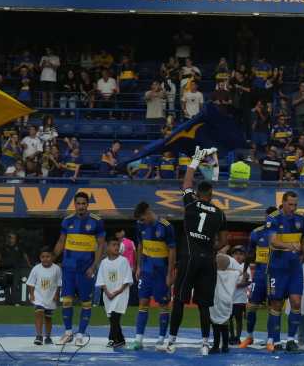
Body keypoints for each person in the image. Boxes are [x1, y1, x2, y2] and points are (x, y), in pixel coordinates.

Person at [162, 147, 228, 356]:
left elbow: (186, 183)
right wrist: (210, 246)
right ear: (212, 195)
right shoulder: (220, 213)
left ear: (199, 194)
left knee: (180, 300)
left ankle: (171, 341)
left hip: (189, 257)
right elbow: (224, 241)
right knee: (204, 305)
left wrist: (195, 162)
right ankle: (205, 344)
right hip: (208, 259)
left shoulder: (191, 203)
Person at [51, 191, 105, 347]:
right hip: (68, 267)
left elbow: (101, 244)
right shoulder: (67, 221)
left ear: (87, 205)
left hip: (86, 269)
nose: (81, 206)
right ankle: (68, 333)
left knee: (86, 302)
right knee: (66, 301)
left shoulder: (97, 221)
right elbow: (61, 241)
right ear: (74, 204)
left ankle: (80, 334)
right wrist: (52, 258)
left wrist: (94, 265)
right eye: (78, 203)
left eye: (83, 203)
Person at [132, 203, 176, 351]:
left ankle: (161, 338)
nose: (141, 222)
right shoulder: (140, 225)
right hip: (146, 270)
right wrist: (138, 266)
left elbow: (172, 251)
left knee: (163, 304)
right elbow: (140, 245)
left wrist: (170, 273)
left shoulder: (166, 226)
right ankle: (138, 339)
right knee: (143, 302)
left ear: (148, 212)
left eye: (143, 219)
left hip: (161, 272)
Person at [266, 191, 304, 352]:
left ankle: (291, 339)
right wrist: (290, 246)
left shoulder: (300, 219)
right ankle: (274, 339)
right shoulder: (273, 217)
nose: (293, 207)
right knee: (276, 303)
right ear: (283, 203)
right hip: (277, 268)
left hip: (295, 268)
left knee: (296, 302)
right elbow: (273, 241)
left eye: (295, 204)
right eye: (290, 204)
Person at [239, 211, 274, 349]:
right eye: (268, 217)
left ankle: (271, 340)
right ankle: (249, 336)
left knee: (274, 307)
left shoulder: (283, 233)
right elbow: (250, 253)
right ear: (265, 217)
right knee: (251, 307)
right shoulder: (256, 233)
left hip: (275, 275)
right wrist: (244, 271)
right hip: (259, 275)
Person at [96, 238, 133, 349]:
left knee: (116, 316)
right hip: (108, 294)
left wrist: (118, 291)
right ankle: (121, 339)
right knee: (112, 318)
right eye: (114, 244)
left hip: (121, 293)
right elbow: (101, 279)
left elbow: (128, 279)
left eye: (118, 244)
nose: (116, 247)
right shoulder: (104, 262)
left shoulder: (124, 261)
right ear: (108, 247)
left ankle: (111, 339)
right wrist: (107, 292)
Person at [28, 250, 62, 345]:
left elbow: (59, 283)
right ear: (40, 258)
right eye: (43, 257)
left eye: (48, 256)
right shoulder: (36, 269)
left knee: (48, 317)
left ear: (52, 257)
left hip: (50, 297)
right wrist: (31, 294)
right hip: (39, 296)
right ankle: (39, 336)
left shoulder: (56, 269)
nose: (45, 259)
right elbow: (30, 283)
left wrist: (56, 294)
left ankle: (48, 336)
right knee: (39, 313)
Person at [210, 254, 236, 354]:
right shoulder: (232, 274)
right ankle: (225, 346)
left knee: (216, 325)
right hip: (227, 301)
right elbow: (241, 275)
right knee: (225, 326)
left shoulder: (213, 273)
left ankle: (216, 345)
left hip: (216, 301)